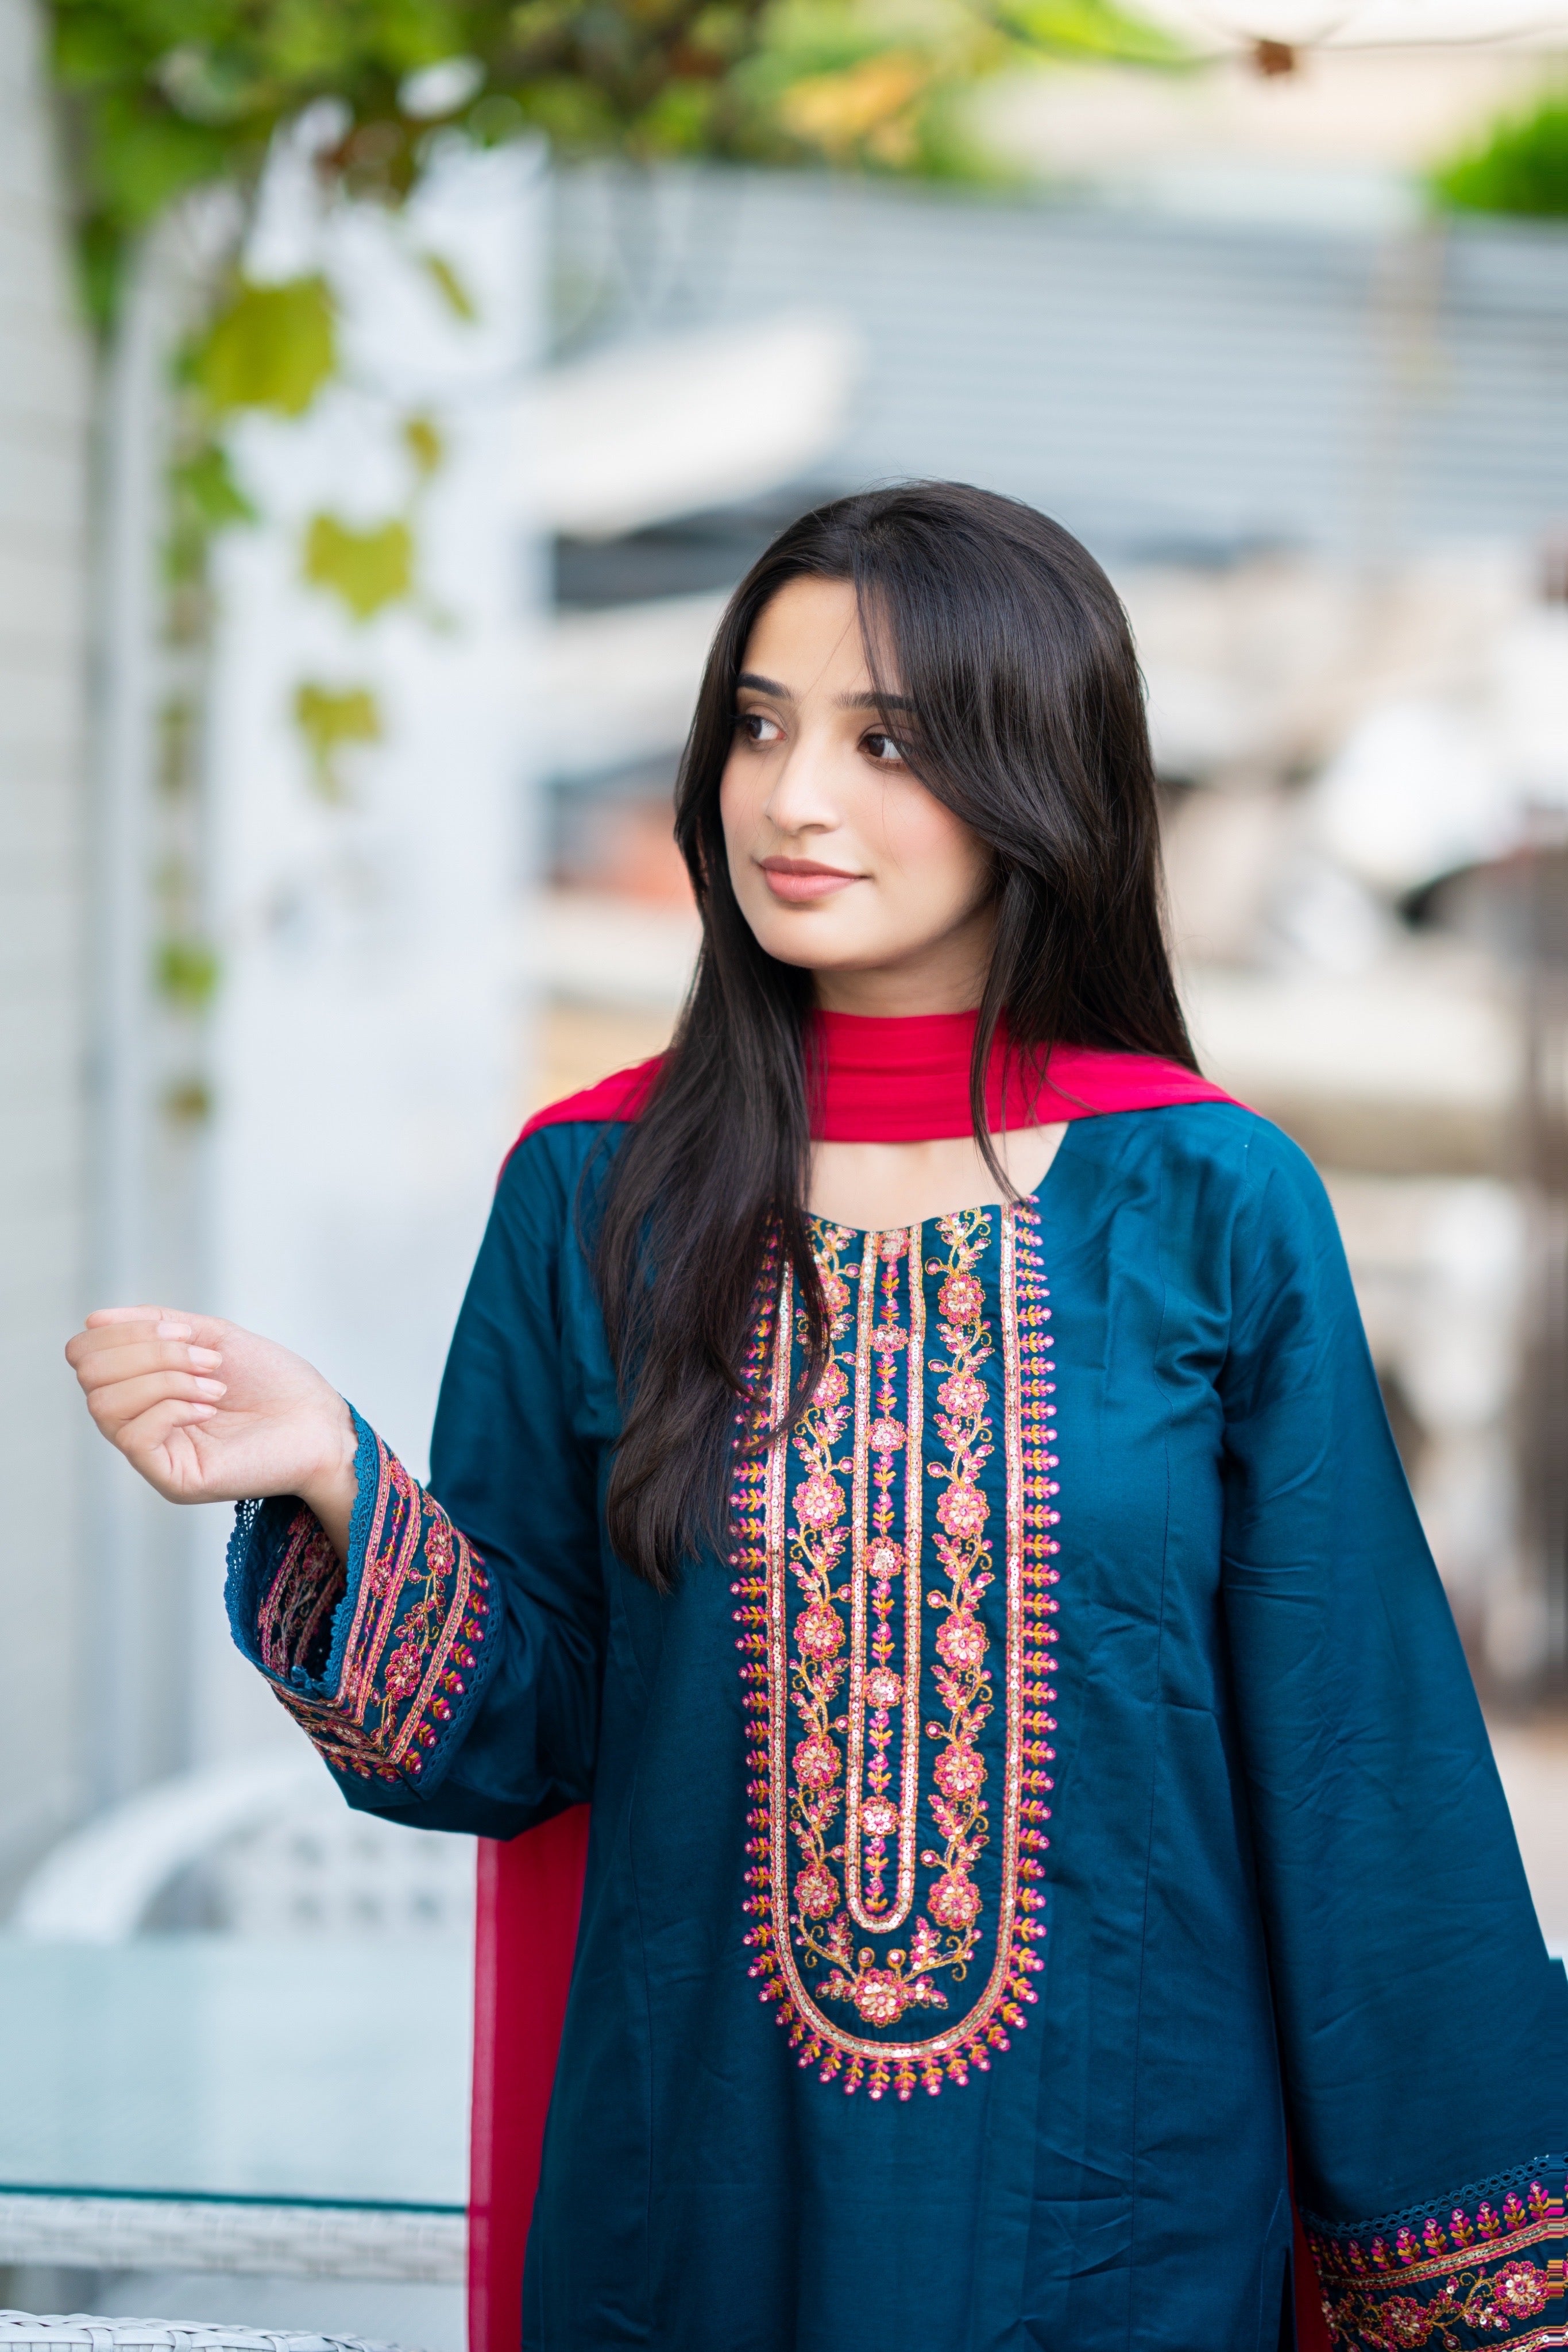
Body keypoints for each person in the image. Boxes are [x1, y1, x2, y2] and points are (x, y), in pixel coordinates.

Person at [68, 484, 1564, 2352]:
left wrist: (1475, 2290)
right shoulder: (590, 1188)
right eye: (757, 729)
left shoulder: (1204, 1197)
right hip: (697, 2208)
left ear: (1043, 778)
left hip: (1123, 2227)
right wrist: (333, 1479)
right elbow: (517, 1731)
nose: (791, 800)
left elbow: (1360, 1767)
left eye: (887, 742)